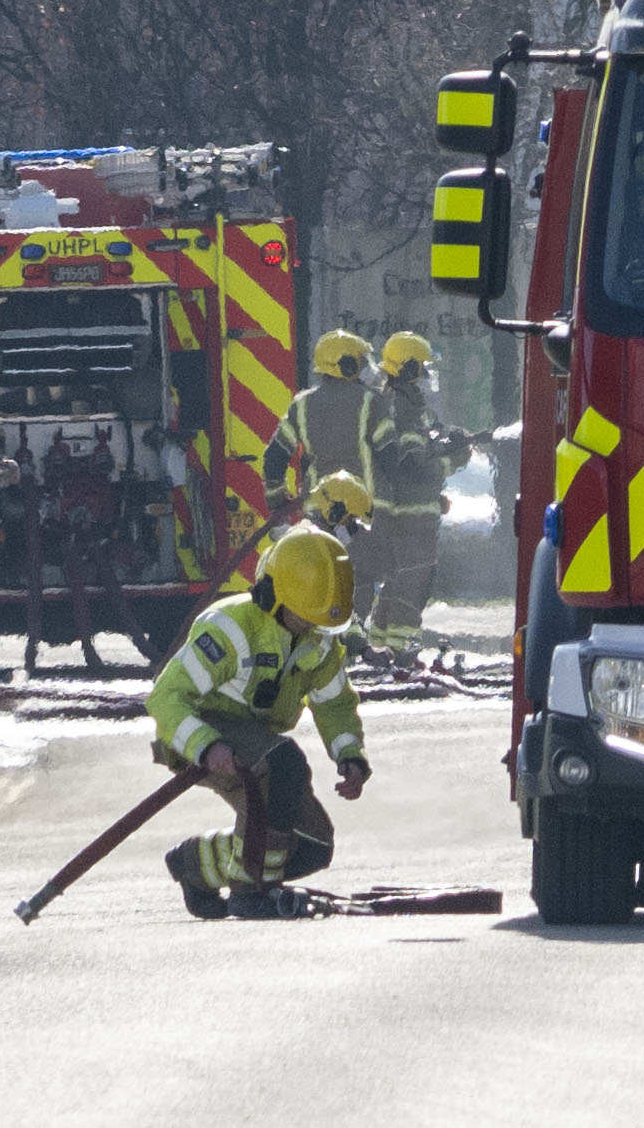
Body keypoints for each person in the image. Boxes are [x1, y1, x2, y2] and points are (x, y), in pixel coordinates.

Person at [148, 524, 371, 918]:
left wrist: (349, 755)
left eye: (321, 621)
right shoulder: (231, 628)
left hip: (259, 744)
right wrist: (206, 745)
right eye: (306, 617)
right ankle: (251, 892)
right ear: (275, 595)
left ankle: (193, 865)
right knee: (284, 763)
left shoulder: (317, 641)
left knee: (311, 845)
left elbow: (334, 703)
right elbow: (166, 698)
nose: (313, 629)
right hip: (199, 731)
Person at [359, 331, 463, 648]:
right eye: (421, 367)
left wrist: (448, 441)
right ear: (406, 368)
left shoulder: (397, 401)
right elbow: (414, 465)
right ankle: (403, 649)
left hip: (402, 510)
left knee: (396, 580)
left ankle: (380, 646)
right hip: (413, 511)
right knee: (413, 581)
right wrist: (452, 460)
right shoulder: (404, 406)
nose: (426, 375)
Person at [273, 328, 378, 521]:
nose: (367, 370)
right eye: (361, 364)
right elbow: (391, 458)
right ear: (346, 366)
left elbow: (275, 456)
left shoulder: (302, 404)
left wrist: (277, 502)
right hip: (362, 511)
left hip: (317, 511)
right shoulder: (372, 402)